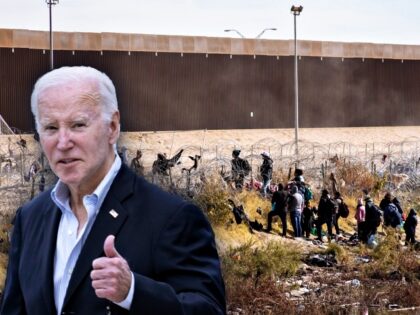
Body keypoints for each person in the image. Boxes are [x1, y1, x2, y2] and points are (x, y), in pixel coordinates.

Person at [1, 66, 226, 315]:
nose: (63, 143)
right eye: (51, 128)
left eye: (78, 125)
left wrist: (133, 292)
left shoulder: (171, 218)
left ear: (113, 127)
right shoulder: (30, 217)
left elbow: (208, 309)